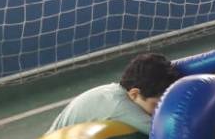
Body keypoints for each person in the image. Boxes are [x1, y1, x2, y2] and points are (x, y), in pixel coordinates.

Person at [48, 53, 180, 134]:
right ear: (134, 94)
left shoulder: (115, 91)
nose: (160, 110)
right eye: (157, 104)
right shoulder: (120, 107)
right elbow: (165, 134)